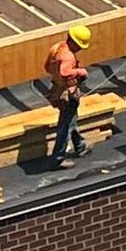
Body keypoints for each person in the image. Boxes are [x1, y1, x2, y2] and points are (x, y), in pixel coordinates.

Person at [43, 23, 92, 169]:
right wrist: (80, 72)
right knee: (65, 126)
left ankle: (80, 146)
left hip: (58, 89)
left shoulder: (57, 48)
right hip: (66, 93)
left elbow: (47, 67)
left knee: (71, 119)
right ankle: (57, 159)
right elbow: (65, 72)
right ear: (75, 42)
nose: (81, 49)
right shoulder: (68, 56)